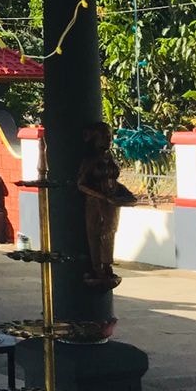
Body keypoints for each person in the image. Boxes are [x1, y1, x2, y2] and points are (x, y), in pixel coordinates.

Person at [76, 121, 137, 288]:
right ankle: (97, 267)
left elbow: (113, 180)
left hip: (111, 202)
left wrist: (125, 194)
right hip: (96, 203)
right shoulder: (90, 160)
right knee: (96, 234)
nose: (109, 140)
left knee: (110, 233)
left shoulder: (108, 158)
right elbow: (81, 184)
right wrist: (102, 197)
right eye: (105, 137)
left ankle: (107, 264)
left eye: (110, 137)